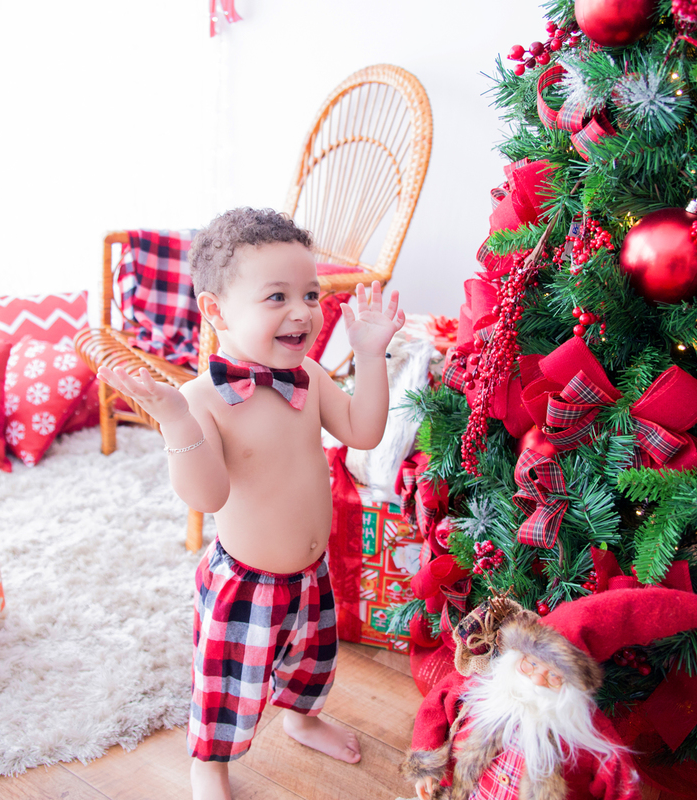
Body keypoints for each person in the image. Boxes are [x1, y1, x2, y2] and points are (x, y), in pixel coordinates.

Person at [97, 207, 405, 800]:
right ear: (216, 311)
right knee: (228, 688)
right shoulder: (203, 399)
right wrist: (174, 420)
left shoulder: (310, 375)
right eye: (277, 297)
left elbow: (364, 432)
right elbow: (204, 493)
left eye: (310, 293)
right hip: (245, 582)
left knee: (311, 663)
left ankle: (301, 718)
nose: (303, 311)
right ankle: (208, 766)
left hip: (311, 573)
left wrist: (369, 356)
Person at [403, 594, 643, 800]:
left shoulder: (589, 737)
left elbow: (622, 781)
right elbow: (436, 703)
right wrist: (425, 763)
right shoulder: (484, 689)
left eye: (554, 676)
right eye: (531, 664)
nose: (537, 680)